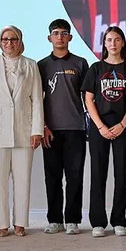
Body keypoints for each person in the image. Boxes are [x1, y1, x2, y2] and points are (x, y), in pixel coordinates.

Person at [0, 26, 45, 236]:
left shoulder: (31, 65)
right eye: (5, 39)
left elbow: (36, 100)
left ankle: (20, 223)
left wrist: (37, 130)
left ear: (20, 41)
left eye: (13, 39)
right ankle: (2, 224)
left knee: (22, 179)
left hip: (24, 130)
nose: (9, 43)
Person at [82, 25, 126, 237]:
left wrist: (123, 124)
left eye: (116, 39)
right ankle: (98, 222)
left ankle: (119, 220)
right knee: (98, 173)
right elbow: (88, 99)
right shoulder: (96, 68)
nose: (112, 43)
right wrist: (100, 127)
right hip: (100, 126)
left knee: (121, 173)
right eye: (108, 40)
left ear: (123, 42)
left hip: (123, 124)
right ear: (104, 44)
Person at [38, 19, 89, 234]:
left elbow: (88, 98)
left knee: (75, 176)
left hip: (76, 128)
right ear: (49, 38)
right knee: (52, 176)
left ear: (70, 37)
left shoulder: (80, 63)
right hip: (50, 130)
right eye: (55, 33)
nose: (60, 36)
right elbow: (35, 99)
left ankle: (72, 220)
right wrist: (43, 126)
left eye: (64, 33)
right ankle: (54, 220)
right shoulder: (41, 66)